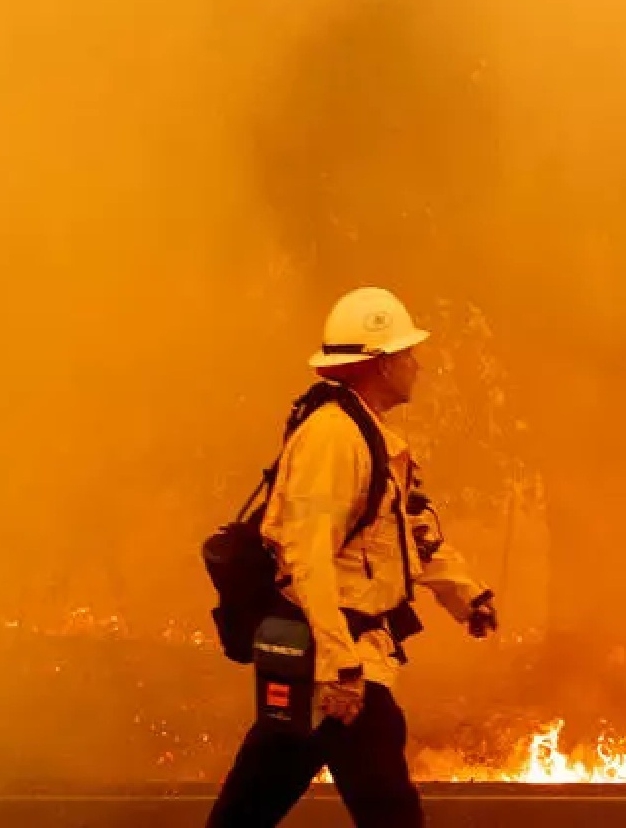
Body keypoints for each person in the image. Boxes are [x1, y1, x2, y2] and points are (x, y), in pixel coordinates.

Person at [208, 287, 497, 828]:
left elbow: (407, 535)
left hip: (319, 664)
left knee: (250, 808)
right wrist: (340, 666)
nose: (418, 364)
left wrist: (466, 596)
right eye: (407, 353)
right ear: (380, 364)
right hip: (334, 665)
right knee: (389, 811)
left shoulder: (369, 437)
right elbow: (306, 554)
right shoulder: (333, 438)